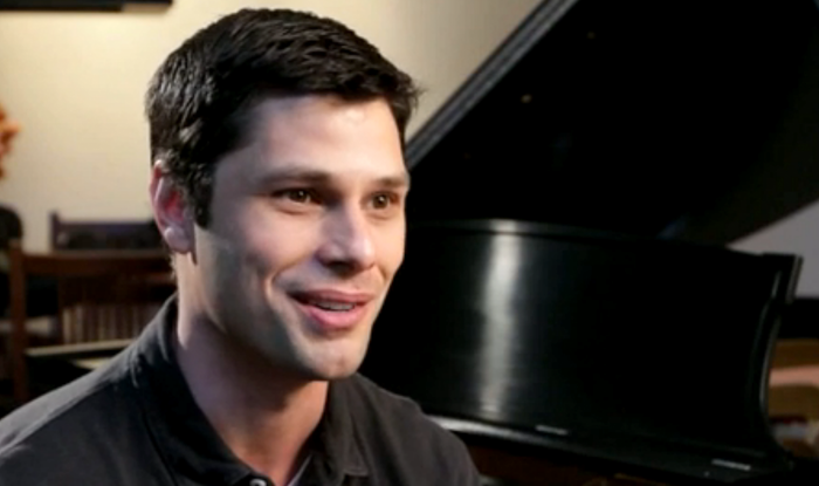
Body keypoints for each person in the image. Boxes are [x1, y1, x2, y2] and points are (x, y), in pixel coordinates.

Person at [0, 8, 483, 486]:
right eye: (300, 195)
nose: (360, 250)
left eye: (381, 201)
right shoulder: (31, 473)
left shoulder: (431, 465)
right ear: (175, 206)